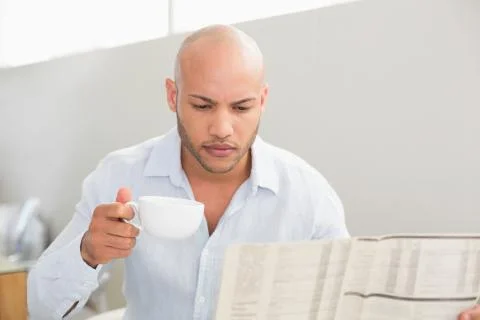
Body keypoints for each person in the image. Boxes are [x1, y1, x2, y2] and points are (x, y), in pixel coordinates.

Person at [26, 24, 475, 320]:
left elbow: (351, 306)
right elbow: (40, 308)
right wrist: (86, 251)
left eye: (241, 107)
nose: (222, 128)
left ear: (262, 100)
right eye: (202, 105)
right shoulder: (120, 174)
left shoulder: (308, 195)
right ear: (172, 95)